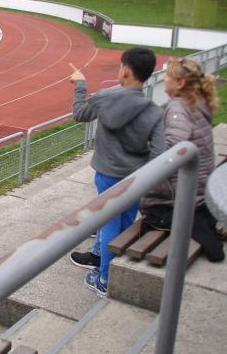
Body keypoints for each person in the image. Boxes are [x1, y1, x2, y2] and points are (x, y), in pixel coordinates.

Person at [68, 47, 165, 297]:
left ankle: (105, 278)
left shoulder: (104, 97)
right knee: (123, 222)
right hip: (135, 179)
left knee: (109, 223)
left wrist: (80, 84)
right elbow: (158, 152)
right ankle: (103, 264)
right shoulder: (154, 111)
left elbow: (80, 114)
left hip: (107, 174)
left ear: (126, 71)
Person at [139, 57, 224, 261]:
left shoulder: (177, 107)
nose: (165, 78)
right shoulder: (198, 100)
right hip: (202, 187)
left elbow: (170, 154)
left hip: (183, 195)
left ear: (181, 83)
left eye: (169, 75)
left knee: (141, 198)